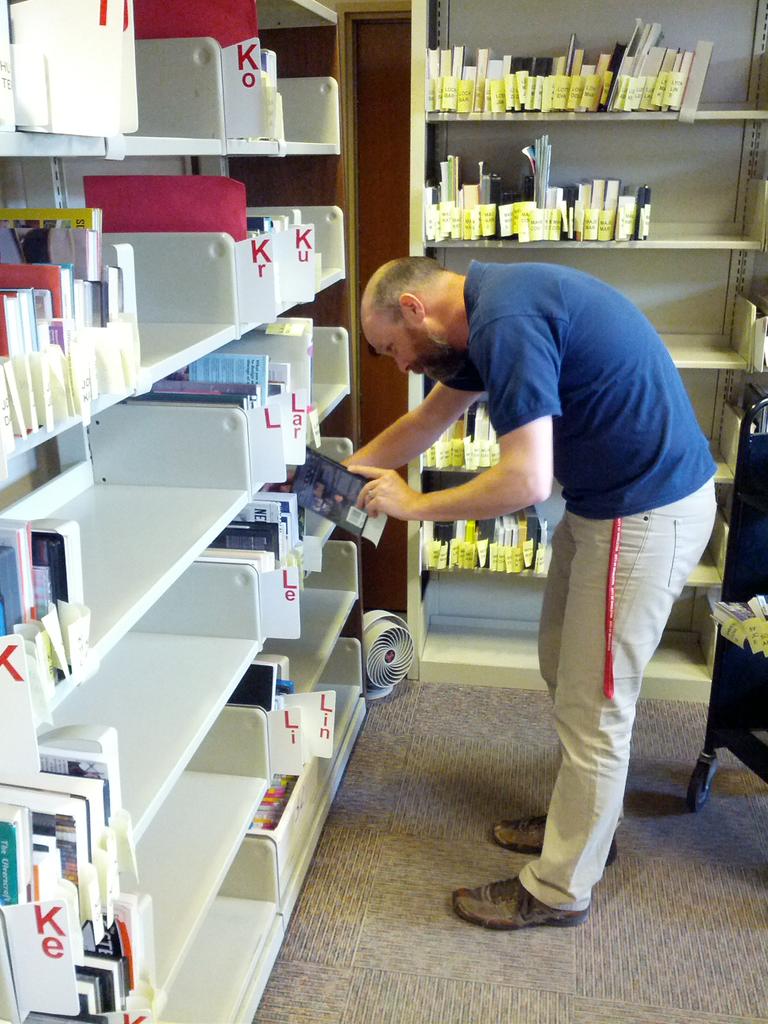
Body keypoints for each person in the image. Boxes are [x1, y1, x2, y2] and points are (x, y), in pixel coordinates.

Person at [348, 256, 716, 931]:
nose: (396, 364)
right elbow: (428, 423)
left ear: (412, 311)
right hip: (607, 504)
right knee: (563, 665)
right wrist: (347, 472)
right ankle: (584, 825)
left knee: (596, 704)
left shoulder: (504, 321)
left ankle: (559, 889)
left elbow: (525, 483)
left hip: (644, 511)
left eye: (389, 349)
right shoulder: (481, 313)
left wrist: (412, 506)